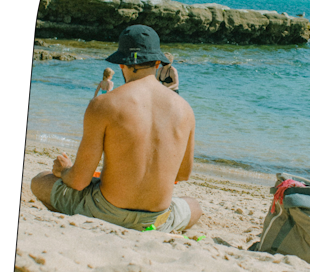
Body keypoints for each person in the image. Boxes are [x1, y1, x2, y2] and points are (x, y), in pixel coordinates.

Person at [30, 24, 202, 234]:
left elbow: (78, 181)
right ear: (158, 62)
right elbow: (183, 174)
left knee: (39, 180)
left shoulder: (104, 104)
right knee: (194, 206)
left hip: (105, 212)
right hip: (156, 220)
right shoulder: (185, 109)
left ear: (122, 63)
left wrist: (64, 169)